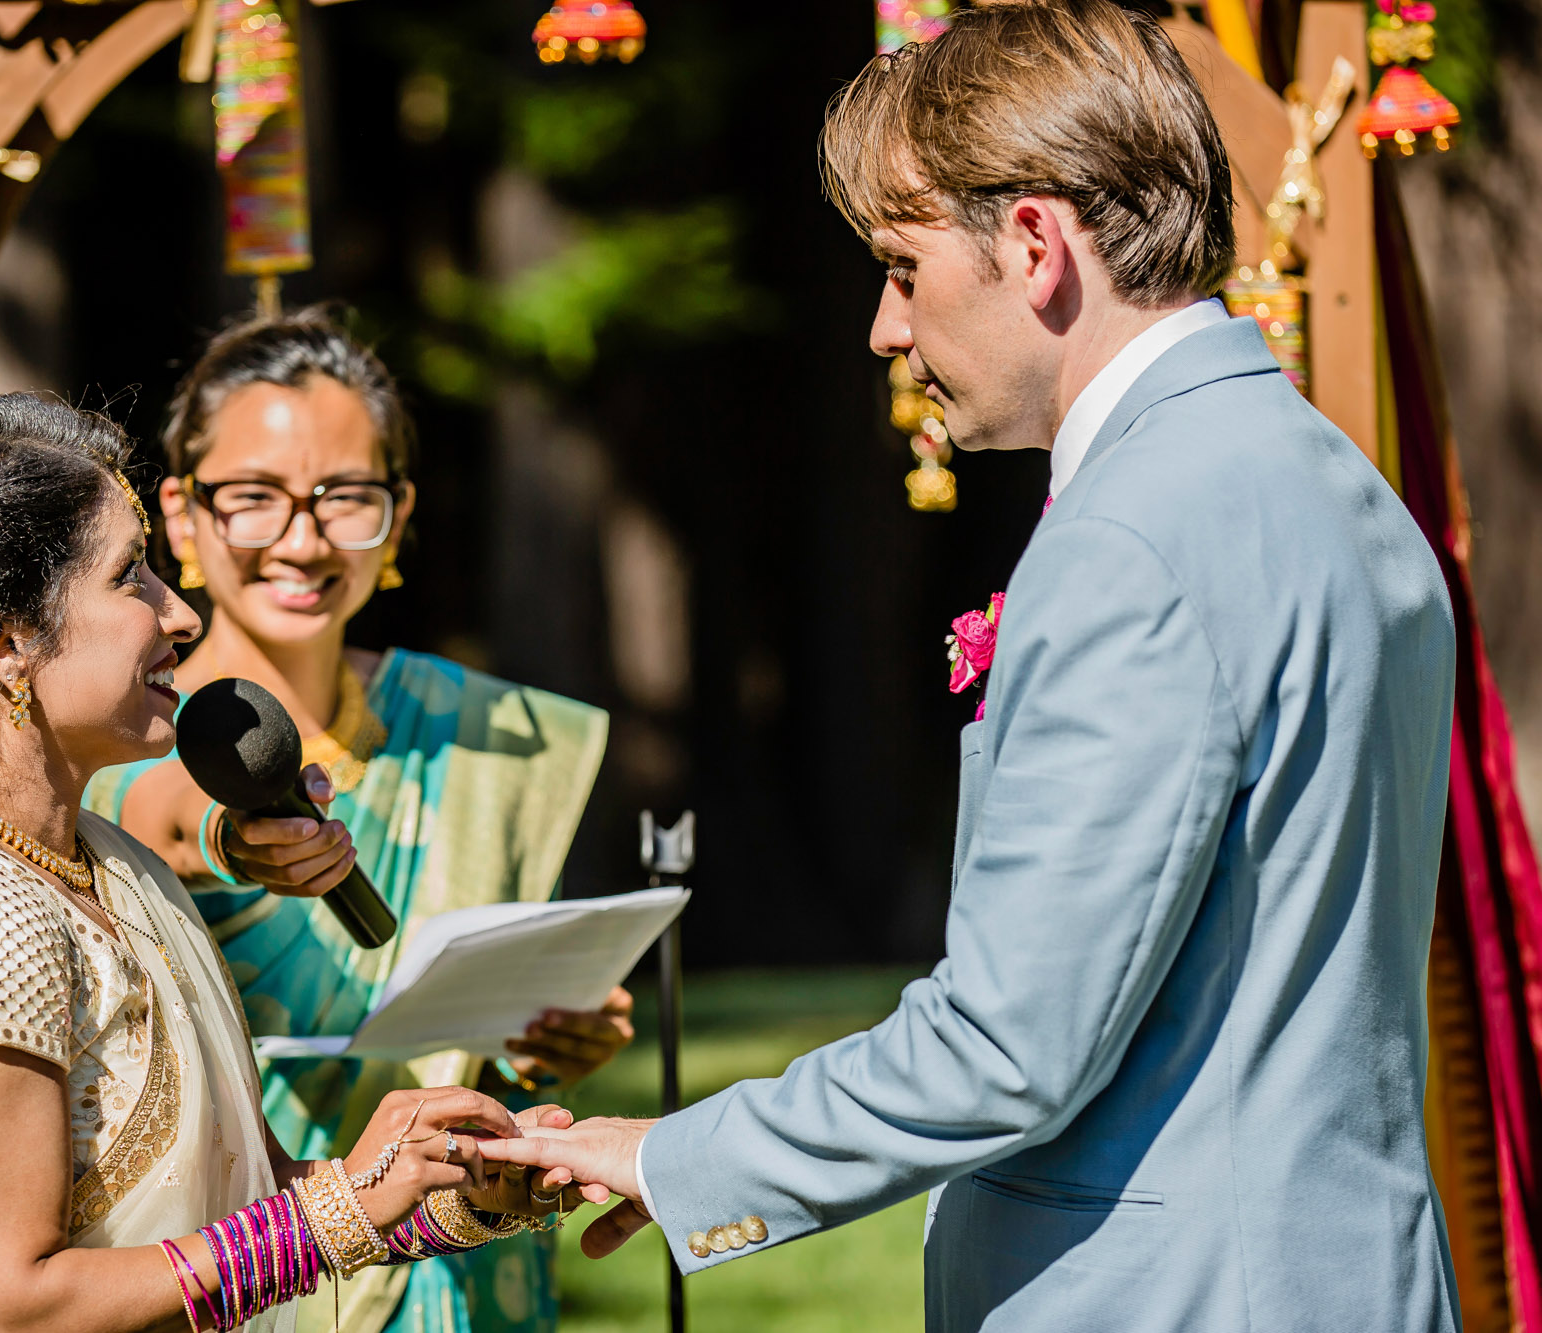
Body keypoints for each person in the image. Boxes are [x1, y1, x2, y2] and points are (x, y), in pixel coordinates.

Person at [480, 4, 1463, 1331]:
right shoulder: (1333, 477)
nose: (886, 328)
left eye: (900, 264)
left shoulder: (1133, 534)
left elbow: (1011, 1045)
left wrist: (672, 1155)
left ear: (1039, 243)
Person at [0, 395, 602, 1333]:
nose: (181, 614)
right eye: (132, 576)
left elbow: (228, 1205)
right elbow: (13, 1307)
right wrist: (333, 1220)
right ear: (4, 643)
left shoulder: (108, 865)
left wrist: (447, 1185)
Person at [84, 310, 628, 1333]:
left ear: (399, 512)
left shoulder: (475, 732)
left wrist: (536, 1052)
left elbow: (452, 1050)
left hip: (468, 1261)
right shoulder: (127, 729)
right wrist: (236, 837)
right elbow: (161, 814)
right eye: (253, 500)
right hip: (253, 1261)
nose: (302, 539)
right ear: (183, 517)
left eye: (345, 498)